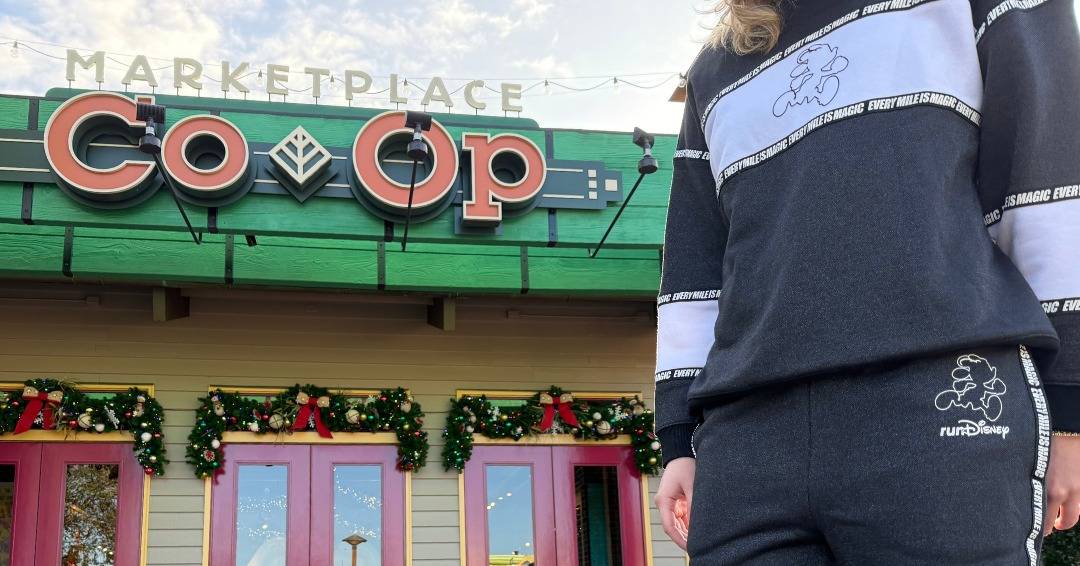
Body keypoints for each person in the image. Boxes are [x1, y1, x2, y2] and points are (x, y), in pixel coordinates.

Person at [652, 0, 1080, 563]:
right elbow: (696, 267)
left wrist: (1070, 413)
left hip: (940, 403)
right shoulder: (716, 65)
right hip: (747, 439)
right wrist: (679, 437)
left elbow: (1048, 194)